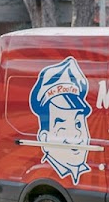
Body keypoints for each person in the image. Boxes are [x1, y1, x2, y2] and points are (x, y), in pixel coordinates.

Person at [29, 56, 93, 184]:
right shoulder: (47, 172)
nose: (76, 133)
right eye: (62, 127)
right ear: (44, 138)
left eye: (78, 124)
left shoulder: (83, 168)